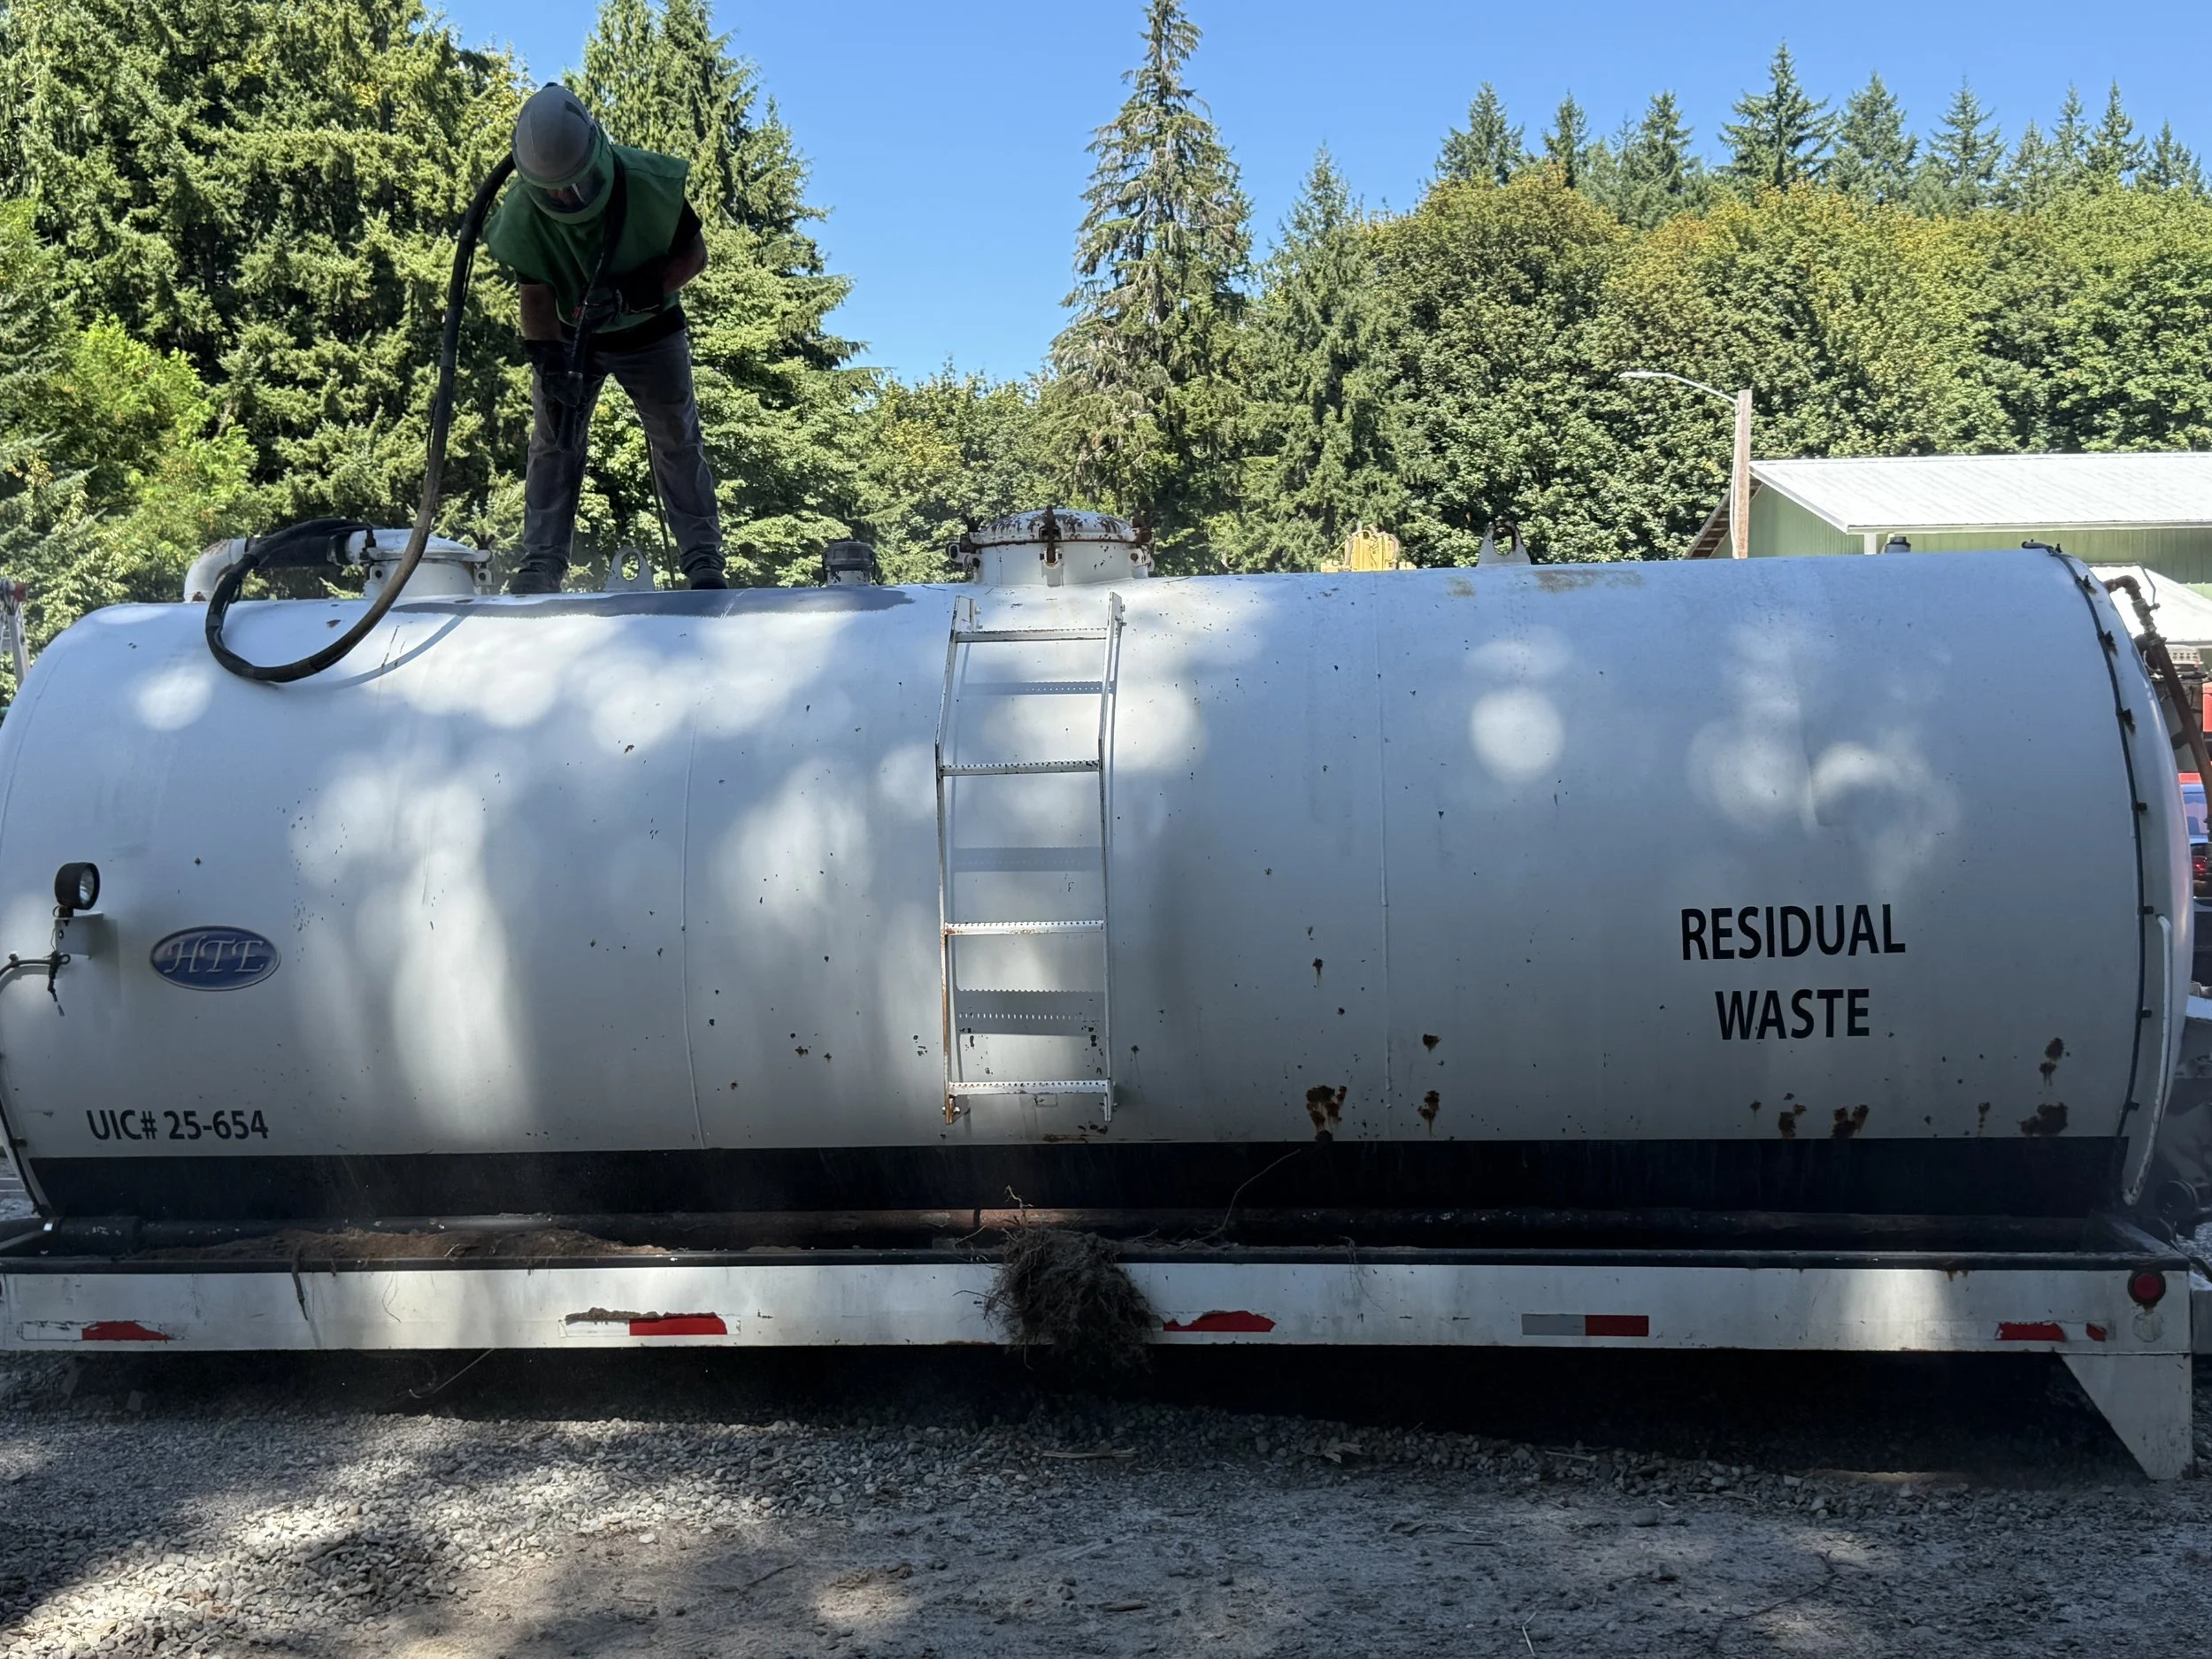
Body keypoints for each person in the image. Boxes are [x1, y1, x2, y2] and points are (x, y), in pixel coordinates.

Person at [484, 84, 726, 593]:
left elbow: (694, 257)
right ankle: (541, 564)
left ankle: (704, 560)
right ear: (532, 186)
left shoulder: (649, 183)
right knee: (553, 441)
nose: (569, 198)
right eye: (555, 192)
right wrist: (549, 362)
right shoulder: (523, 217)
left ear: (597, 151)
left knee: (677, 438)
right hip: (574, 340)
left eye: (578, 185)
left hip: (652, 332)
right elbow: (535, 296)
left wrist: (632, 295)